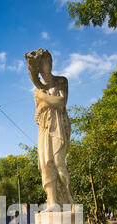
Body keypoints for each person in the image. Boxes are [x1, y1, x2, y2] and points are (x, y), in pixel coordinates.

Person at [24, 49, 74, 210]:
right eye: (46, 61)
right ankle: (52, 202)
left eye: (50, 60)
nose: (50, 64)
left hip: (58, 124)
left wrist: (43, 97)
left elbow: (61, 101)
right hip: (45, 127)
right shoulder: (36, 91)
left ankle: (69, 200)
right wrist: (42, 103)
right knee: (46, 163)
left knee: (59, 162)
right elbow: (38, 113)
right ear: (39, 66)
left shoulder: (61, 81)